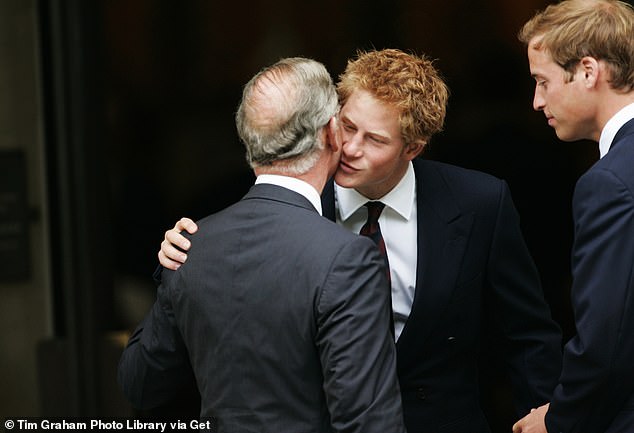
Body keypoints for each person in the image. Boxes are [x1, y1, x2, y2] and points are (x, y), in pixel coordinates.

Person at [159, 48, 563, 433]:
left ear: (413, 148)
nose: (350, 149)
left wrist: (546, 415)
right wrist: (180, 251)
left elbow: (526, 333)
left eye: (375, 140)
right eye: (348, 127)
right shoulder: (294, 200)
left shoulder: (479, 203)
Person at [118, 57, 406, 433]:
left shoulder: (191, 248)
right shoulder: (347, 257)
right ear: (331, 132)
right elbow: (369, 422)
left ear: (250, 145)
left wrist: (172, 270)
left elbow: (139, 385)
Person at [512, 1, 634, 432]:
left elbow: (607, 338)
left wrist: (558, 419)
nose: (536, 101)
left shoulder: (610, 182)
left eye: (542, 82)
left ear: (587, 71)